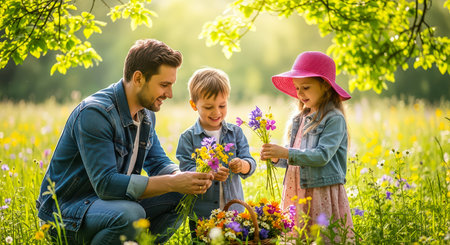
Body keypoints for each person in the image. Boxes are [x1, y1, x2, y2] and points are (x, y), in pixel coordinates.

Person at [36, 39, 214, 245]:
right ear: (138, 78)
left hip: (109, 207)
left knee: (182, 197)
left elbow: (158, 163)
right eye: (164, 85)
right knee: (130, 213)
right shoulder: (95, 114)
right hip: (66, 215)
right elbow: (106, 184)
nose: (170, 94)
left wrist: (186, 178)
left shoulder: (146, 114)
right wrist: (172, 182)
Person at [260, 51, 354, 242]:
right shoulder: (299, 118)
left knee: (320, 236)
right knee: (298, 237)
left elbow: (321, 156)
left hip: (320, 190)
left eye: (306, 87)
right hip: (296, 189)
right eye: (297, 88)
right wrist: (277, 156)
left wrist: (286, 152)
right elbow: (295, 157)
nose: (300, 93)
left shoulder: (333, 119)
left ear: (325, 86)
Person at [176, 67, 256, 238]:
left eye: (222, 105)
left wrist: (242, 165)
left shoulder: (235, 133)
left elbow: (250, 162)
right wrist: (208, 171)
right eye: (208, 107)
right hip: (201, 213)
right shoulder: (188, 137)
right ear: (193, 105)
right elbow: (185, 169)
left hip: (233, 211)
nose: (216, 112)